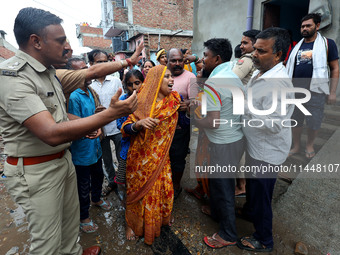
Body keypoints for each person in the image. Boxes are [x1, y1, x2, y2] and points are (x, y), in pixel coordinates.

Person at [0, 7, 137, 255]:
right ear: (36, 41)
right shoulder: (12, 77)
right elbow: (51, 132)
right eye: (61, 40)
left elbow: (61, 115)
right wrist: (110, 115)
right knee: (47, 244)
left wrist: (93, 122)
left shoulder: (50, 73)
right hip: (36, 169)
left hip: (62, 161)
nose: (67, 47)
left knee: (68, 229)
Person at [238, 27, 294, 252]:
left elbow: (275, 124)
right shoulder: (262, 72)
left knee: (262, 195)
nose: (254, 54)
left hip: (267, 151)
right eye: (255, 49)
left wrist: (248, 109)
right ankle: (250, 212)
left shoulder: (279, 83)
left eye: (261, 51)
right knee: (253, 186)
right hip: (256, 146)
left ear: (278, 55)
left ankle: (264, 239)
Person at [191, 38, 244, 249]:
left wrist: (193, 118)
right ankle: (216, 211)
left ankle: (228, 233)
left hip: (223, 142)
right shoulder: (234, 77)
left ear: (217, 58)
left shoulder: (214, 82)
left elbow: (212, 122)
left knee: (223, 188)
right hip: (235, 139)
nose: (203, 59)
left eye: (205, 55)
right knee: (218, 182)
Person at [121, 65, 182, 244]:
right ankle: (131, 224)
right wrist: (138, 125)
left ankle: (160, 219)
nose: (171, 80)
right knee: (137, 193)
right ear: (156, 80)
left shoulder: (174, 101)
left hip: (161, 158)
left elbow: (183, 120)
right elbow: (125, 128)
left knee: (162, 190)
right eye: (167, 76)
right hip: (140, 159)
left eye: (172, 76)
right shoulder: (140, 100)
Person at [67, 58, 112, 234]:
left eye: (87, 68)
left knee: (99, 175)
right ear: (72, 75)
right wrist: (92, 126)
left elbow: (94, 117)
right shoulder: (73, 96)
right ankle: (83, 216)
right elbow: (74, 124)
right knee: (83, 185)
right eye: (81, 71)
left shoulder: (91, 92)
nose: (87, 73)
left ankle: (96, 199)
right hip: (82, 150)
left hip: (95, 146)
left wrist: (98, 125)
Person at [286, 13, 339, 159]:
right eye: (302, 26)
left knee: (314, 120)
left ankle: (309, 145)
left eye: (308, 25)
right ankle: (296, 145)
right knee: (295, 119)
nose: (304, 29)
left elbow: (335, 68)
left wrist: (333, 91)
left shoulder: (327, 44)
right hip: (296, 90)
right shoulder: (297, 46)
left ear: (317, 26)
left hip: (316, 90)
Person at [88, 49, 124, 197]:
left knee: (122, 156)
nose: (103, 65)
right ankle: (111, 182)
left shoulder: (116, 81)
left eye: (105, 62)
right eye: (99, 62)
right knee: (106, 159)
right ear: (91, 64)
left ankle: (123, 181)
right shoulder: (89, 84)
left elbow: (122, 102)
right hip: (100, 129)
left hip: (117, 127)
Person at [232, 29, 261, 197]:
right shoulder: (254, 62)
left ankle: (241, 185)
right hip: (246, 107)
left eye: (245, 43)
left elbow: (231, 80)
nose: (241, 46)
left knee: (240, 148)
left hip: (241, 108)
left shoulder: (247, 60)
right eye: (241, 43)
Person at [167, 48, 196, 198]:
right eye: (173, 60)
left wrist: (188, 104)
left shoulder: (191, 77)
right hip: (161, 127)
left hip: (180, 127)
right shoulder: (161, 75)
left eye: (180, 60)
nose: (177, 63)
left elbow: (196, 101)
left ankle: (176, 184)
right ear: (167, 61)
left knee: (178, 157)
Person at [115, 69, 144, 201]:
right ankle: (129, 200)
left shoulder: (150, 99)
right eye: (130, 84)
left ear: (143, 82)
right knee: (126, 177)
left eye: (137, 83)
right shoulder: (123, 100)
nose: (134, 87)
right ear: (125, 85)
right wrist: (134, 127)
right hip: (128, 147)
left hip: (146, 148)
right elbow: (119, 124)